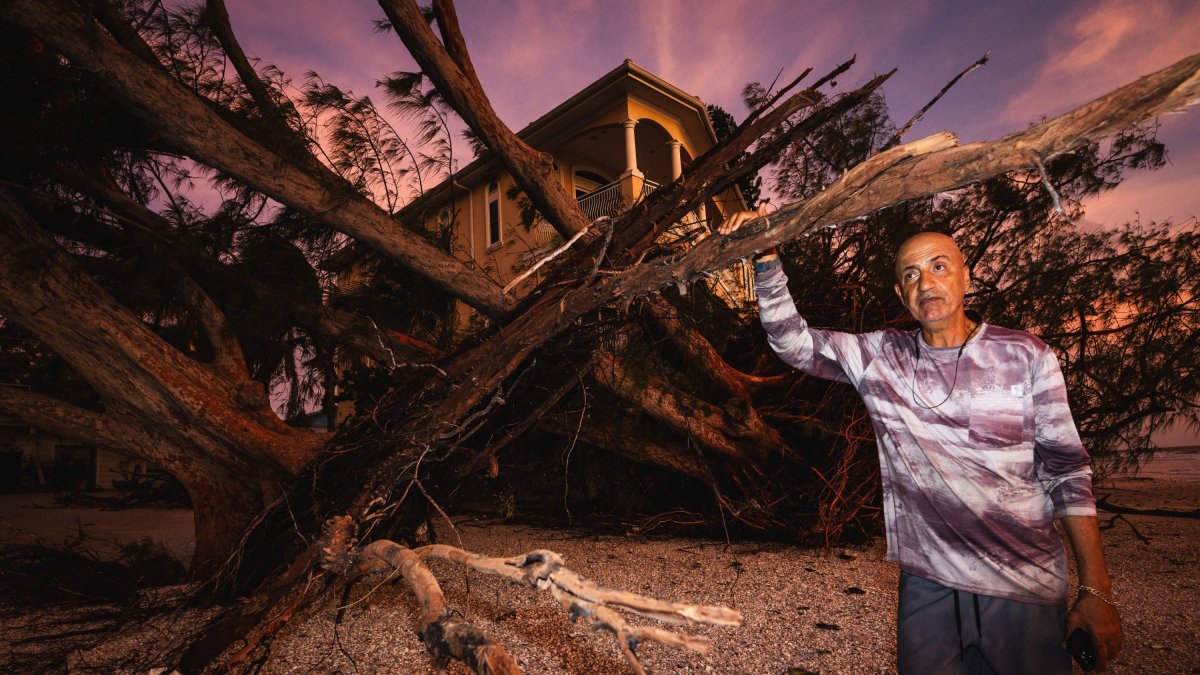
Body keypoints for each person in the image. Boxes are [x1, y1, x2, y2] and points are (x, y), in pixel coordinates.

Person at [719, 208, 1123, 674]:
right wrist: (766, 258)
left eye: (938, 266)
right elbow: (793, 344)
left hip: (1023, 585)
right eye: (910, 274)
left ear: (966, 276)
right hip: (927, 583)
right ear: (900, 293)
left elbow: (1067, 472)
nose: (925, 282)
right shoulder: (881, 357)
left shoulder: (1027, 355)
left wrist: (1096, 591)